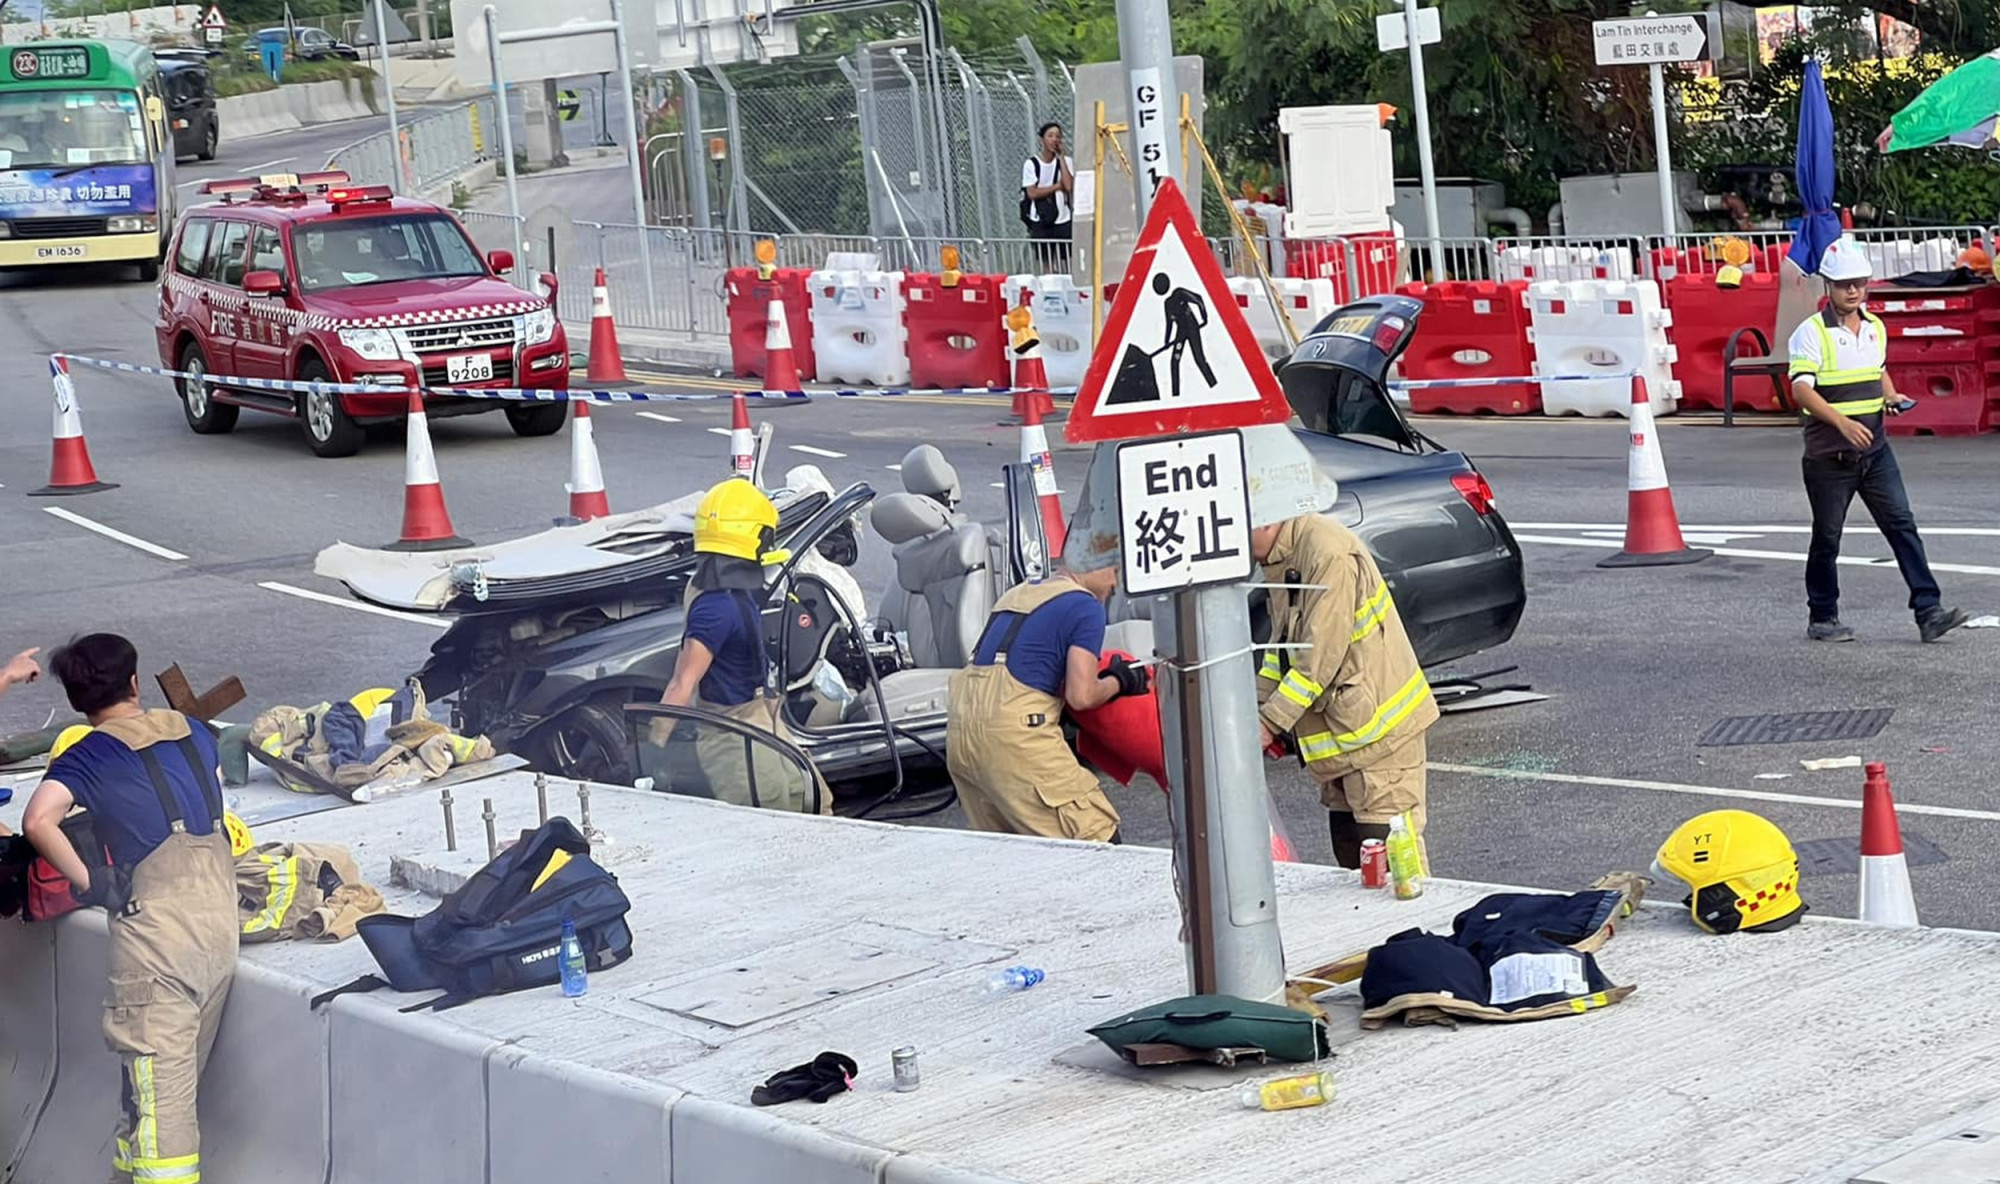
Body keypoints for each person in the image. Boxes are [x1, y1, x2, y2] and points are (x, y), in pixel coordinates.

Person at [20, 633, 235, 1184]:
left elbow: (38, 820)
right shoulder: (194, 732)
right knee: (149, 1101)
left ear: (74, 701)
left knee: (160, 1113)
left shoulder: (88, 753)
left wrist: (91, 880)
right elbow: (213, 798)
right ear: (135, 683)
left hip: (158, 945)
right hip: (218, 926)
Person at [1788, 235, 1967, 643]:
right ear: (1828, 287)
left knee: (1902, 524)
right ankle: (1822, 615)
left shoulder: (1874, 328)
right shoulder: (1811, 333)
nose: (1853, 290)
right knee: (1828, 536)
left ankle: (1928, 610)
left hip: (1875, 451)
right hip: (1829, 456)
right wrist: (1842, 423)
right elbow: (1801, 390)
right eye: (1844, 283)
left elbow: (1877, 369)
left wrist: (1890, 395)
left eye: (1859, 283)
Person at [1252, 510, 1437, 870]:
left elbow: (1319, 658)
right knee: (1354, 856)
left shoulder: (1326, 552)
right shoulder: (1283, 556)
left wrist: (1269, 723)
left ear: (1265, 521)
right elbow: (1285, 647)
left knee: (1393, 864)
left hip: (1381, 739)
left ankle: (1412, 928)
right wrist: (1258, 706)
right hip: (1345, 736)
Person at [946, 563, 1148, 842]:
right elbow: (1082, 695)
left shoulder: (1017, 594)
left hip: (962, 734)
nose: (1117, 584)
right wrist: (1120, 679)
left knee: (1015, 855)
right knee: (1099, 842)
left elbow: (1025, 663)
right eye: (1115, 571)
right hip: (1013, 737)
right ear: (1086, 562)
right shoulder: (1086, 607)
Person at [656, 478, 824, 813]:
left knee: (814, 800)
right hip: (732, 733)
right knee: (772, 815)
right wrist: (654, 748)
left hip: (761, 716)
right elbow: (683, 682)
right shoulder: (715, 608)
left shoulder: (731, 590)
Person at [1019, 121, 1074, 273]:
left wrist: (1061, 157)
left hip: (1063, 218)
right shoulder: (1031, 164)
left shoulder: (1066, 161)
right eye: (1050, 136)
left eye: (1057, 136)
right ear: (1042, 139)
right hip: (1041, 218)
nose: (1054, 139)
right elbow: (1032, 192)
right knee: (1047, 260)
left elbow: (1068, 186)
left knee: (1067, 260)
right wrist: (1056, 187)